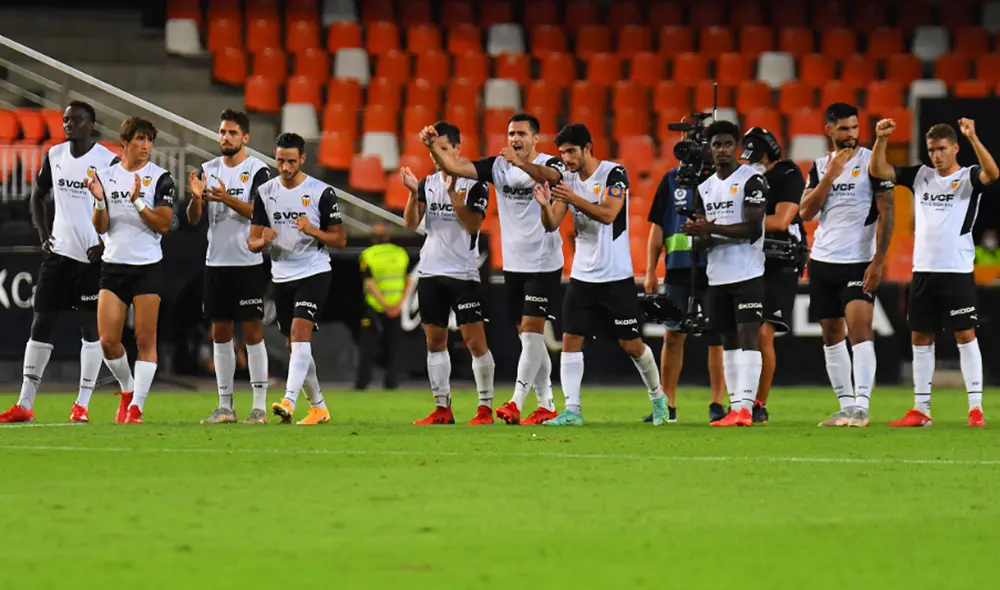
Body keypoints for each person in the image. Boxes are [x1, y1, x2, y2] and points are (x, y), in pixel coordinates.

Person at [420, 114, 563, 425]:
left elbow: (549, 176)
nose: (515, 138)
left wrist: (519, 163)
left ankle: (515, 402)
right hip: (513, 264)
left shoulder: (552, 162)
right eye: (511, 133)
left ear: (535, 138)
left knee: (530, 333)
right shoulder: (497, 167)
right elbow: (455, 167)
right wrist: (433, 148)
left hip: (544, 262)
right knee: (529, 338)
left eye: (522, 133)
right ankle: (547, 404)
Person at [533, 123, 665, 425]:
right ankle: (572, 412)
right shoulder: (566, 180)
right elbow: (552, 223)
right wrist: (545, 206)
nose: (565, 158)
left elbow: (608, 214)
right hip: (582, 275)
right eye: (562, 152)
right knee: (570, 338)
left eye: (570, 151)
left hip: (616, 276)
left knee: (631, 345)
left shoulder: (613, 174)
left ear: (587, 149)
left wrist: (571, 197)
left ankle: (658, 398)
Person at [870, 118, 997, 427]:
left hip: (956, 270)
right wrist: (881, 140)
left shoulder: (968, 177)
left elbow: (992, 173)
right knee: (920, 337)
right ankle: (921, 410)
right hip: (923, 270)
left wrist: (974, 137)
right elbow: (879, 171)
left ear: (955, 148)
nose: (936, 156)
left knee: (965, 335)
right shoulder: (921, 175)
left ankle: (975, 408)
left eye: (942, 149)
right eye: (931, 150)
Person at [0, 101, 119, 424]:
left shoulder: (108, 161)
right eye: (66, 120)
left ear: (90, 125)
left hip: (91, 260)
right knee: (41, 324)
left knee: (89, 330)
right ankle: (25, 403)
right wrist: (43, 236)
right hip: (58, 255)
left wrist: (105, 242)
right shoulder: (55, 155)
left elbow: (121, 208)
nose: (68, 124)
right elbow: (37, 196)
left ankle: (81, 404)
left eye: (76, 120)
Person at [799, 103, 895, 428]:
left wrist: (879, 260)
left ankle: (863, 406)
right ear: (829, 129)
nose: (851, 135)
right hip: (823, 260)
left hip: (858, 261)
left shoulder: (873, 162)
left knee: (860, 329)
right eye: (843, 129)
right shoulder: (818, 166)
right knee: (830, 334)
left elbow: (887, 211)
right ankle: (845, 406)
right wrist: (830, 175)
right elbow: (806, 212)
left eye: (854, 128)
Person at [401, 121, 497, 425]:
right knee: (435, 341)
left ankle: (484, 408)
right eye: (434, 150)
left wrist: (453, 192)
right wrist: (412, 193)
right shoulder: (427, 183)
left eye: (443, 148)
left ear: (458, 149)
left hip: (463, 273)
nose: (436, 155)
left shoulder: (476, 183)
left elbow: (472, 225)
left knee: (475, 342)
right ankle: (442, 408)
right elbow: (410, 223)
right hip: (430, 271)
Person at [249, 132, 346, 425]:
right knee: (295, 345)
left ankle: (289, 401)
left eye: (291, 161)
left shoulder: (320, 192)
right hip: (281, 275)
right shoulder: (265, 192)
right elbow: (252, 240)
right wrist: (261, 241)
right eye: (280, 160)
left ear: (302, 159)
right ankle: (318, 407)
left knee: (300, 334)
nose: (285, 167)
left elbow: (339, 239)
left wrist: (312, 230)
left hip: (314, 271)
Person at [88, 116, 176, 424]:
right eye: (140, 139)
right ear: (125, 142)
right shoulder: (106, 176)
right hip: (113, 265)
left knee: (144, 339)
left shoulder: (161, 178)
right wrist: (99, 201)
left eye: (149, 140)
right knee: (108, 341)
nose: (146, 146)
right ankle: (128, 390)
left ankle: (136, 407)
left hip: (147, 266)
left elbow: (164, 224)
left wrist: (139, 202)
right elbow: (101, 226)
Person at [187, 109, 273, 425]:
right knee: (219, 332)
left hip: (247, 262)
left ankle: (260, 407)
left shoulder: (258, 171)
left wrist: (226, 198)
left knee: (252, 330)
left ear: (245, 137)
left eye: (232, 133)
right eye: (222, 132)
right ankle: (225, 406)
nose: (225, 137)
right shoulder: (207, 169)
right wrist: (197, 199)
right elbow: (194, 220)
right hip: (216, 262)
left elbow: (262, 214)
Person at [682, 120, 768, 427]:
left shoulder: (752, 180)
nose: (722, 150)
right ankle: (736, 408)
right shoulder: (704, 188)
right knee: (728, 341)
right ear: (709, 148)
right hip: (718, 275)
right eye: (716, 145)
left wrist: (710, 229)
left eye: (728, 144)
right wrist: (696, 233)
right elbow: (704, 240)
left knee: (748, 338)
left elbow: (752, 228)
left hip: (747, 272)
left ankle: (746, 407)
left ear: (738, 147)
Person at [643, 164, 727, 424]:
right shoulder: (670, 179)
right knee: (673, 335)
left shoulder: (720, 176)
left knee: (717, 337)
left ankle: (717, 403)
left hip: (715, 264)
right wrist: (649, 270)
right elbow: (658, 225)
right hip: (677, 268)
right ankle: (667, 404)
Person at [740, 127, 807, 424]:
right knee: (746, 332)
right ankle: (740, 399)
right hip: (752, 258)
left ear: (771, 154)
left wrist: (737, 222)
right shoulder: (746, 179)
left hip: (781, 260)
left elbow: (781, 220)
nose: (753, 163)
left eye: (758, 157)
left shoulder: (789, 174)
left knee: (765, 333)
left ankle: (759, 403)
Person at [355, 222, 411, 391]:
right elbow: (409, 280)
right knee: (394, 347)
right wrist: (399, 304)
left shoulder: (367, 254)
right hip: (397, 306)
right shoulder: (401, 253)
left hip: (375, 307)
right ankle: (391, 383)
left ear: (372, 238)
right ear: (388, 236)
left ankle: (362, 384)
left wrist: (385, 305)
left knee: (368, 348)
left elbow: (370, 284)